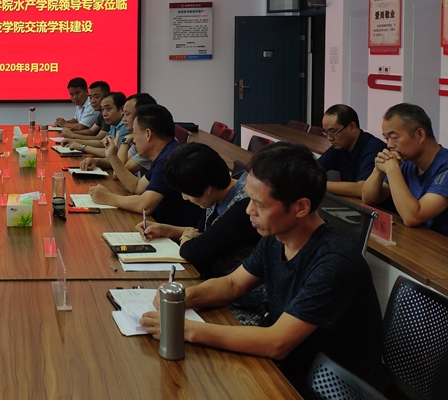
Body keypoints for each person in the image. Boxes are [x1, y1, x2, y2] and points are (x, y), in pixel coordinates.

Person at [141, 142, 383, 395]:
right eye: (249, 199)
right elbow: (232, 284)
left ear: (301, 207)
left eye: (261, 204)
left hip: (327, 389)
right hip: (286, 369)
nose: (249, 210)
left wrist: (184, 328)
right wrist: (181, 298)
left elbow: (277, 342)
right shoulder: (276, 238)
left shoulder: (334, 262)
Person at [135, 142, 260, 282]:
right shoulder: (216, 194)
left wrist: (186, 238)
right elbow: (201, 233)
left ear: (207, 189)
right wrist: (165, 230)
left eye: (186, 192)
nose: (184, 197)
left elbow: (193, 252)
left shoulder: (244, 207)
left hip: (237, 290)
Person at [88, 104, 201, 226]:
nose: (134, 140)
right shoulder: (165, 152)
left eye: (135, 134)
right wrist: (112, 156)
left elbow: (145, 206)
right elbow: (136, 186)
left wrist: (107, 197)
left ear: (148, 134)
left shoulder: (169, 159)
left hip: (174, 232)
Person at [362, 103, 448, 234]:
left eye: (394, 138)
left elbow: (412, 217)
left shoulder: (444, 166)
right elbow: (369, 199)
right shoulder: (406, 160)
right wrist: (378, 170)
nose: (389, 145)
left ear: (420, 134)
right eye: (386, 138)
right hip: (414, 238)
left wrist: (392, 170)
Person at [80, 92, 156, 174]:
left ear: (142, 117)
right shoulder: (136, 138)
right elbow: (117, 162)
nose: (123, 119)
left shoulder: (149, 143)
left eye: (127, 114)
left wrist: (125, 140)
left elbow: (117, 172)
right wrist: (95, 161)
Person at [317, 104, 384, 197]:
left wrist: (318, 185)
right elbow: (314, 169)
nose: (329, 138)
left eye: (333, 132)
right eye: (325, 132)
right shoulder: (340, 146)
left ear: (352, 127)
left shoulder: (373, 149)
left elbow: (362, 189)